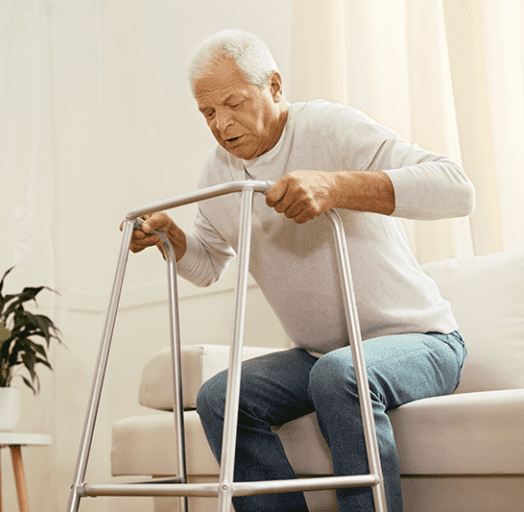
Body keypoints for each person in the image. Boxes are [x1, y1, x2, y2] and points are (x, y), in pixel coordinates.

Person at [125, 29, 473, 512]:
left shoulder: (329, 127)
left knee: (338, 373)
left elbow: (457, 188)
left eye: (234, 103)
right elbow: (206, 266)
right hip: (320, 353)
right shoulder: (217, 172)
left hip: (424, 341)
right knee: (219, 398)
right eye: (208, 112)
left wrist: (336, 186)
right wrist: (173, 239)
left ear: (274, 84)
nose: (222, 124)